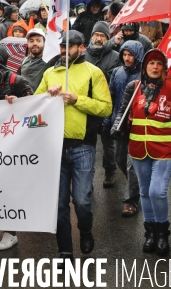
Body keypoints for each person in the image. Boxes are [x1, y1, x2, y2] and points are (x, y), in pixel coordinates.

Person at [35, 30, 112, 260]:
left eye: (69, 46)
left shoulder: (93, 72)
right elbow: (34, 104)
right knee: (58, 204)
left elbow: (106, 107)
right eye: (62, 46)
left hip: (83, 147)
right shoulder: (50, 72)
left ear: (82, 48)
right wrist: (47, 96)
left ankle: (85, 230)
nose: (64, 51)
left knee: (82, 200)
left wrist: (77, 100)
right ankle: (65, 250)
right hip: (55, 147)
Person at [110, 49, 171, 255]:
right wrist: (116, 126)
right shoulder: (133, 87)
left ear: (164, 68)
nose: (155, 67)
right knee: (144, 192)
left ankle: (162, 234)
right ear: (145, 67)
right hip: (137, 149)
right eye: (151, 63)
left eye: (159, 63)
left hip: (165, 149)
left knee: (157, 191)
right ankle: (150, 233)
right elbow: (122, 111)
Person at [0, 42, 31, 250]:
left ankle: (12, 232)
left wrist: (18, 102)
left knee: (10, 188)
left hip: (13, 145)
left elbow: (34, 107)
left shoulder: (16, 81)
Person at [105, 40, 144, 217]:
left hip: (136, 124)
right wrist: (108, 119)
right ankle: (138, 186)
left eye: (131, 55)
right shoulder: (117, 73)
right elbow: (111, 96)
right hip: (119, 123)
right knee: (120, 158)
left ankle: (131, 201)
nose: (127, 59)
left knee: (131, 164)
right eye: (125, 55)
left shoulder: (144, 75)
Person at [84, 21, 121, 188]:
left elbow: (113, 80)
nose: (98, 39)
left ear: (108, 38)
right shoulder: (83, 55)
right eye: (96, 35)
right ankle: (87, 177)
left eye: (102, 36)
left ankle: (110, 171)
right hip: (87, 106)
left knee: (108, 143)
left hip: (106, 104)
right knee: (88, 144)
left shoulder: (115, 56)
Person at [18, 28, 49, 93]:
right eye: (31, 41)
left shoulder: (49, 60)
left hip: (42, 100)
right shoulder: (24, 61)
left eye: (38, 41)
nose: (35, 43)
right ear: (28, 43)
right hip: (25, 100)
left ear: (44, 42)